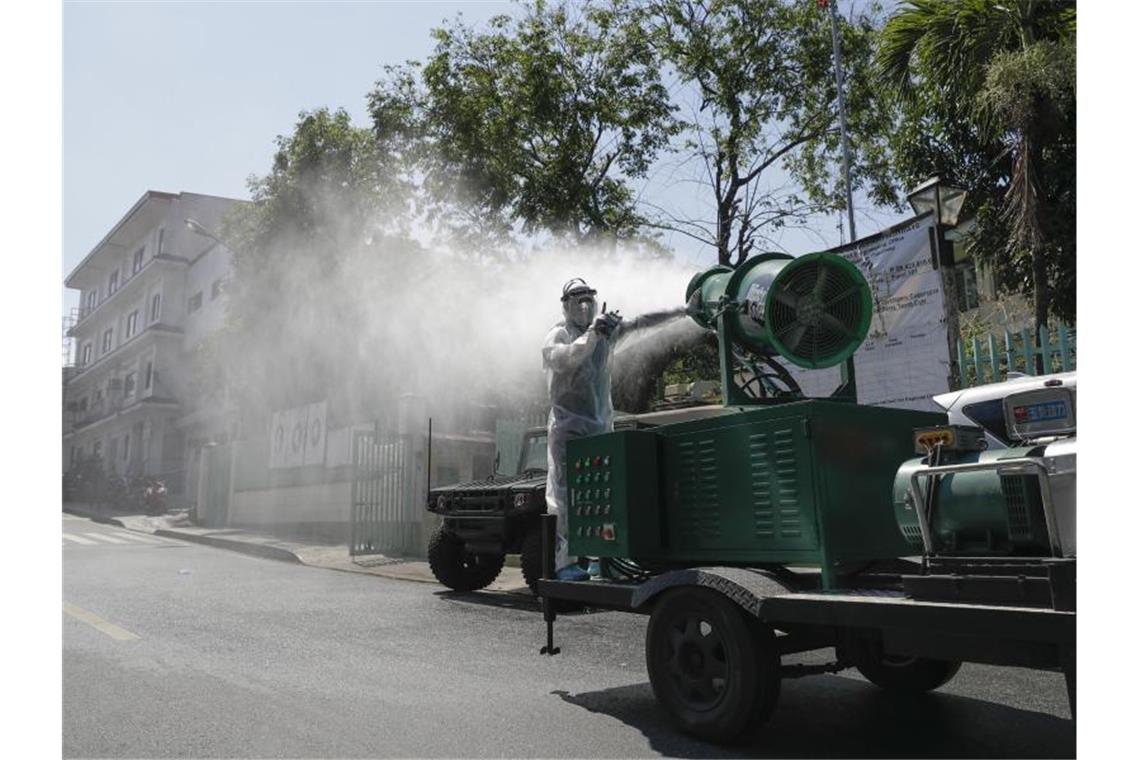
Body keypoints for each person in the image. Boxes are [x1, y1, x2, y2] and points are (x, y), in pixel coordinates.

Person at [541, 277, 680, 580]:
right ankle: (564, 563)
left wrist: (683, 311)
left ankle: (602, 559)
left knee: (604, 494)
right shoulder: (558, 335)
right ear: (565, 305)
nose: (584, 305)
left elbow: (643, 322)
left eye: (588, 299)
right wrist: (593, 334)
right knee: (565, 498)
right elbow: (567, 359)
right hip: (569, 428)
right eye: (577, 300)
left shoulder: (606, 332)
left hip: (601, 425)